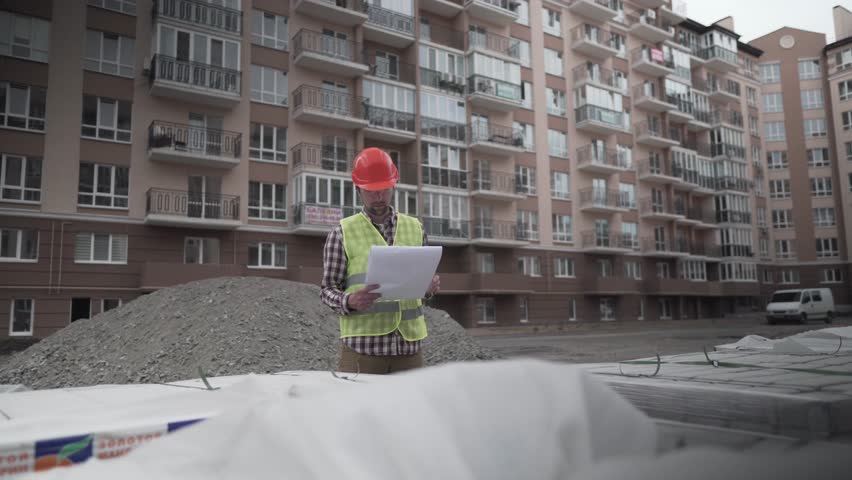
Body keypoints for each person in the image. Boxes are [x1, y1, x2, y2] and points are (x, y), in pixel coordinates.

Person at [321, 147, 440, 374]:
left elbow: (420, 291)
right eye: (371, 191)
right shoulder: (342, 233)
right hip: (362, 351)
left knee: (409, 410)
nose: (379, 197)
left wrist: (428, 288)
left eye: (384, 190)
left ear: (393, 185)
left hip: (409, 350)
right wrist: (349, 301)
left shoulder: (415, 228)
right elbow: (327, 289)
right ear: (358, 190)